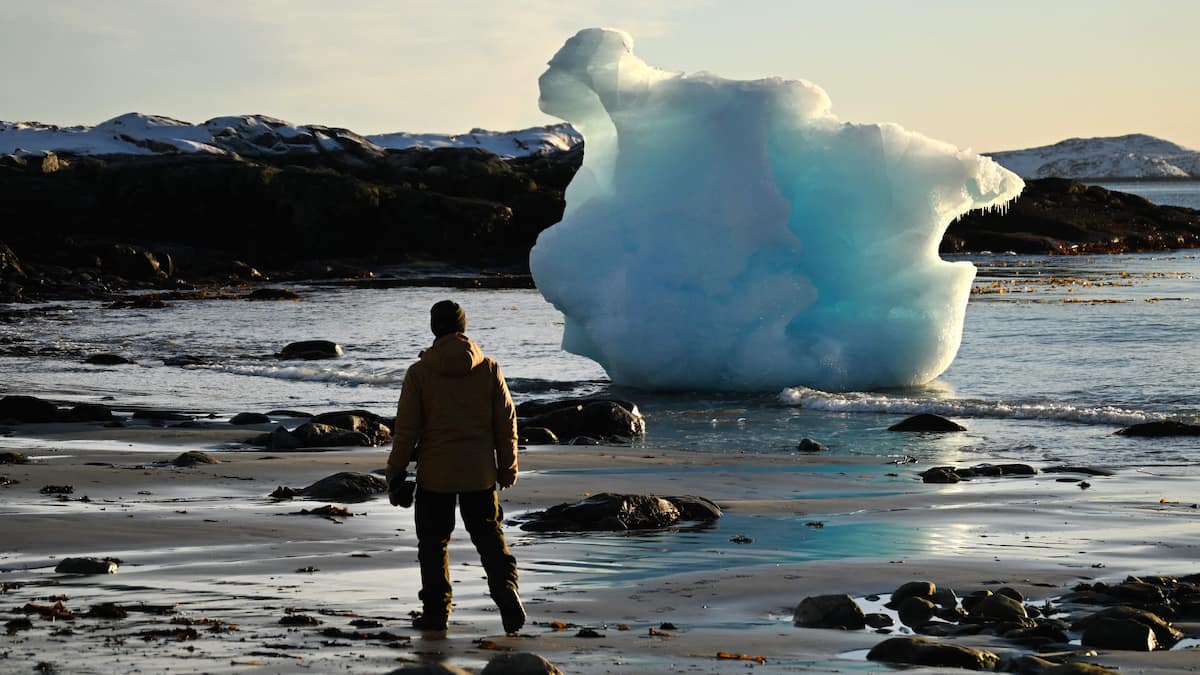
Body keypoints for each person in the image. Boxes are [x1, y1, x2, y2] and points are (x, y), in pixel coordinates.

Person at [386, 300, 524, 634]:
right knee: (488, 534)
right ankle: (505, 588)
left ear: (435, 328)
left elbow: (406, 430)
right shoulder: (489, 368)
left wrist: (395, 473)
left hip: (435, 475)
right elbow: (506, 424)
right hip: (479, 472)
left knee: (433, 544)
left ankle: (436, 612)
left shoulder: (419, 373)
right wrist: (508, 468)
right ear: (463, 328)